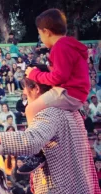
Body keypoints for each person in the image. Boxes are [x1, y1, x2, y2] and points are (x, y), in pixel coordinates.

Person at [20, 9, 90, 173]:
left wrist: (34, 74)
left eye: (40, 34)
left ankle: (36, 153)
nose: (41, 39)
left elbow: (58, 77)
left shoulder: (60, 47)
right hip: (77, 94)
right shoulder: (69, 45)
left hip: (69, 93)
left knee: (30, 109)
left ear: (46, 32)